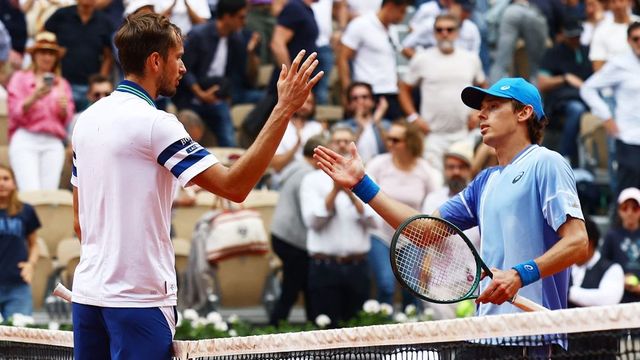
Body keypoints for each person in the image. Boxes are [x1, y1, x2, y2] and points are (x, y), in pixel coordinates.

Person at [70, 13, 321, 359]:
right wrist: (283, 109)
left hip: (87, 297)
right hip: (137, 300)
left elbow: (78, 224)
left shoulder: (87, 120)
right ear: (156, 61)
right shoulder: (156, 124)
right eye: (178, 57)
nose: (184, 68)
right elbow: (236, 186)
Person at [314, 77, 588, 352]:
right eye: (482, 108)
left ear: (523, 112)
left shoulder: (547, 163)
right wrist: (362, 185)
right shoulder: (485, 182)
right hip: (485, 336)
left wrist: (520, 275)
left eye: (493, 106)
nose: (481, 114)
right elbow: (421, 231)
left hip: (533, 338)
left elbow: (577, 243)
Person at [300, 125, 376, 327]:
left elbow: (373, 221)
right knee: (324, 332)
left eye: (346, 140)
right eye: (337, 141)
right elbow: (312, 222)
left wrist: (353, 194)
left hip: (357, 266)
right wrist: (334, 191)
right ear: (328, 145)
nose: (341, 144)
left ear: (355, 145)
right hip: (324, 267)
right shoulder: (311, 180)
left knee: (359, 331)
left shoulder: (367, 179)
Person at [366, 121, 440, 308]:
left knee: (412, 287)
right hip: (381, 235)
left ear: (410, 142)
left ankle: (412, 330)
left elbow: (434, 203)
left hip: (412, 238)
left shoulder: (424, 169)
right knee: (386, 285)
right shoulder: (378, 164)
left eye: (395, 140)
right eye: (388, 139)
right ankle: (384, 328)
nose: (389, 143)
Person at [399, 13, 486, 171]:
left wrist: (478, 113)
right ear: (434, 33)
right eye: (439, 30)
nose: (444, 33)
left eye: (449, 29)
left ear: (457, 33)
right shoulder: (421, 58)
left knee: (463, 184)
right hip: (433, 136)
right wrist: (413, 117)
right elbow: (404, 88)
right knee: (435, 185)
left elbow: (484, 87)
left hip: (463, 134)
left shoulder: (471, 59)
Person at [175, 0, 257, 148]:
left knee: (228, 138)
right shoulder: (198, 34)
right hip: (191, 96)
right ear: (227, 17)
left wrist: (227, 96)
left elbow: (237, 74)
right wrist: (200, 93)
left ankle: (231, 167)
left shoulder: (236, 40)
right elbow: (184, 68)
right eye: (241, 17)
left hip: (218, 96)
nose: (244, 22)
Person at [7, 31, 75, 191]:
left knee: (48, 194)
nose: (47, 57)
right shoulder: (20, 78)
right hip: (26, 138)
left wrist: (64, 109)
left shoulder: (62, 83)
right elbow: (14, 112)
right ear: (34, 55)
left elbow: (66, 120)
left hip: (52, 141)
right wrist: (34, 96)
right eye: (43, 52)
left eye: (51, 53)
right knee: (29, 192)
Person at [269, 136, 324, 326]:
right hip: (293, 239)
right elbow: (309, 213)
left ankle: (311, 324)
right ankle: (274, 328)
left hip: (281, 235)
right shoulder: (306, 176)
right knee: (292, 288)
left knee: (305, 285)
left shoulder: (295, 168)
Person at [421, 140, 480, 319]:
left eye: (461, 167)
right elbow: (426, 238)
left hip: (475, 283)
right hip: (441, 285)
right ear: (444, 170)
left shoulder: (482, 198)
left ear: (470, 170)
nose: (456, 172)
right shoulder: (432, 199)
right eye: (451, 167)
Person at [580, 22, 640, 198]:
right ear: (629, 41)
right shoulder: (620, 63)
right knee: (628, 197)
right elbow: (588, 88)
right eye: (636, 39)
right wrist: (606, 117)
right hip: (629, 138)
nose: (639, 43)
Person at [338, 0, 412, 120]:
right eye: (401, 12)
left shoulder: (391, 29)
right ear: (390, 6)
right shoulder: (361, 24)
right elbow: (343, 58)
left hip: (391, 92)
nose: (402, 17)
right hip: (368, 94)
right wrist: (348, 92)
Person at [537, 17, 593, 166]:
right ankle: (565, 155)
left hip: (588, 96)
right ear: (564, 35)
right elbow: (542, 83)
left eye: (578, 36)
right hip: (562, 100)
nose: (575, 39)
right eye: (572, 36)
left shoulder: (587, 50)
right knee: (576, 109)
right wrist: (565, 78)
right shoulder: (553, 53)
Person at [44, 0, 114, 111]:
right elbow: (43, 36)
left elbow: (108, 56)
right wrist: (55, 50)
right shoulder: (61, 15)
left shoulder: (104, 21)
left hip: (91, 88)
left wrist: (99, 82)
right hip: (62, 83)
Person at [0, 165, 41, 322]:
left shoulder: (26, 210)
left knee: (20, 337)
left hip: (18, 285)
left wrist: (31, 265)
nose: (2, 183)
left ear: (14, 183)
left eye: (6, 178)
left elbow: (34, 244)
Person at [270, 92, 324, 188]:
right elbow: (277, 165)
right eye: (302, 101)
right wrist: (297, 144)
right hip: (285, 180)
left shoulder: (318, 128)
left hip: (313, 180)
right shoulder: (279, 127)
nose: (305, 106)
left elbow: (324, 162)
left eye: (309, 103)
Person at [600, 187, 640, 303]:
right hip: (618, 297)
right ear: (619, 210)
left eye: (635, 208)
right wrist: (619, 279)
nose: (629, 212)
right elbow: (603, 262)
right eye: (625, 208)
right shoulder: (611, 235)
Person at [339, 82, 390, 163]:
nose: (360, 101)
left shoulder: (385, 125)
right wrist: (360, 128)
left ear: (373, 101)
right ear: (349, 104)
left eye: (365, 97)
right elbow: (342, 154)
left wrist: (377, 123)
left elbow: (392, 151)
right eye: (355, 98)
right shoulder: (342, 127)